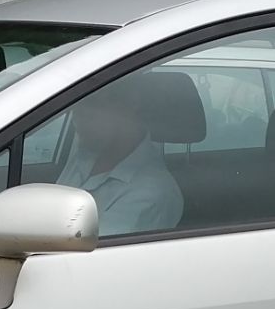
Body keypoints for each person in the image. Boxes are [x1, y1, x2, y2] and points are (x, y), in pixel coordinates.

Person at [53, 75, 184, 236]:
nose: (77, 116)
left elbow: (92, 259)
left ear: (130, 103)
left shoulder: (153, 192)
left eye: (91, 104)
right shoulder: (85, 154)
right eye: (76, 105)